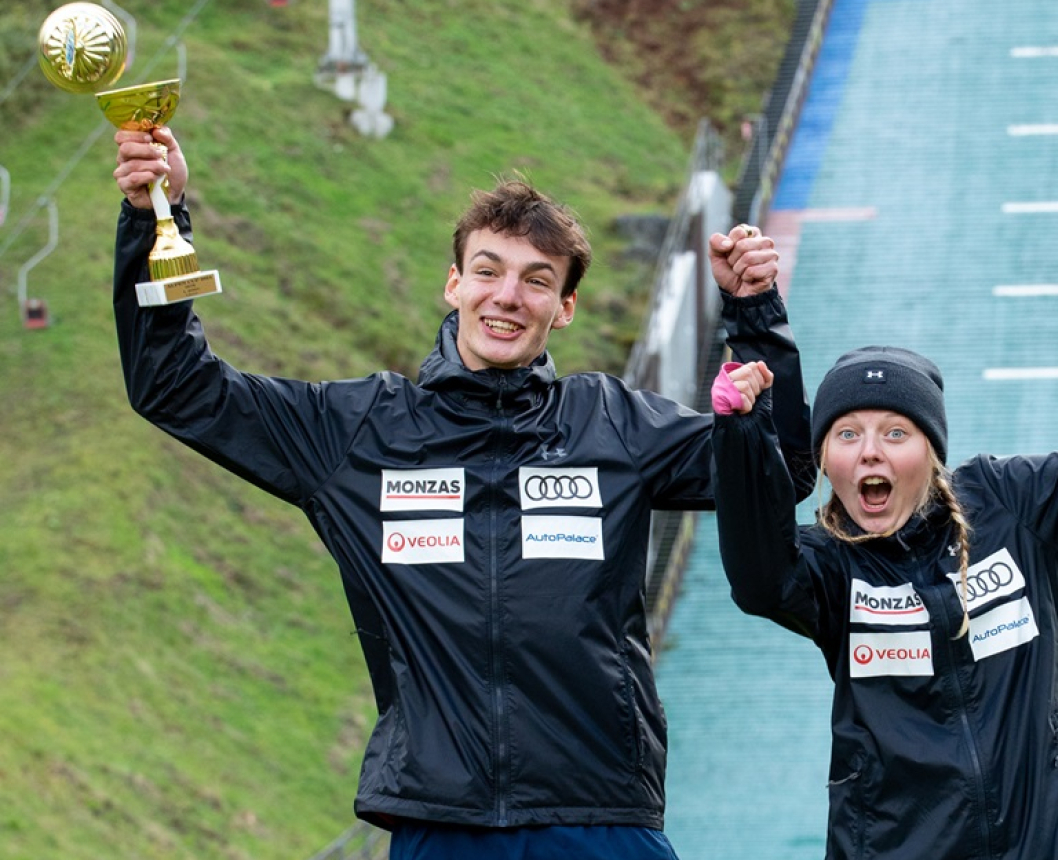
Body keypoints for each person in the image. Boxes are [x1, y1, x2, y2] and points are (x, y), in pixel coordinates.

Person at [111, 126, 813, 860]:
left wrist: (756, 315)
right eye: (488, 271)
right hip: (440, 822)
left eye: (537, 279)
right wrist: (158, 215)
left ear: (564, 307)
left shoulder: (613, 424)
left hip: (601, 816)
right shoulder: (359, 433)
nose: (507, 297)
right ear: (454, 284)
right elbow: (175, 386)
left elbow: (782, 473)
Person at [710, 267, 1058, 860]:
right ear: (827, 460)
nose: (870, 451)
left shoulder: (1011, 503)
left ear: (932, 451)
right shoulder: (831, 566)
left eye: (895, 432)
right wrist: (741, 431)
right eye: (846, 434)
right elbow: (759, 576)